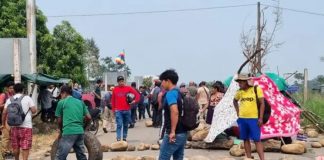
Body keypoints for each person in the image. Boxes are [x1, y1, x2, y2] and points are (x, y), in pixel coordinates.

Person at [233, 73, 265, 160]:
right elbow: (235, 101)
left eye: (241, 82)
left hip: (254, 119)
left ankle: (262, 159)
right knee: (245, 139)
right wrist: (238, 112)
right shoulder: (239, 92)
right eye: (238, 82)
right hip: (242, 119)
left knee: (257, 140)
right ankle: (249, 158)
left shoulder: (256, 89)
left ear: (246, 81)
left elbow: (262, 103)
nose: (239, 84)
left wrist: (261, 118)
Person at [55, 85, 91, 160]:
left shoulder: (61, 102)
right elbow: (89, 117)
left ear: (64, 93)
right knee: (81, 156)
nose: (61, 96)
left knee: (60, 157)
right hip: (80, 132)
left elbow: (59, 120)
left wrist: (61, 130)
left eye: (61, 94)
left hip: (68, 132)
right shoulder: (80, 102)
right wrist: (84, 127)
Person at [2, 83, 37, 160]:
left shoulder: (9, 100)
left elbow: (4, 113)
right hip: (26, 127)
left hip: (13, 127)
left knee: (15, 146)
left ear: (14, 90)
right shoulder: (27, 98)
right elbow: (34, 111)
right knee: (25, 146)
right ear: (23, 90)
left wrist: (3, 124)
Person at [158, 69, 187, 160]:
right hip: (183, 132)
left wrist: (172, 131)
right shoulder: (179, 93)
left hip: (174, 133)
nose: (161, 84)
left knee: (163, 158)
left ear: (168, 81)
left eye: (162, 81)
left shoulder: (170, 94)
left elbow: (174, 111)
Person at [111, 76, 140, 141]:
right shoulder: (115, 89)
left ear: (124, 81)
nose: (121, 82)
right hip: (118, 110)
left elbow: (137, 95)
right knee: (119, 124)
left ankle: (124, 137)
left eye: (122, 81)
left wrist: (134, 101)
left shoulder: (128, 88)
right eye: (119, 81)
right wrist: (113, 110)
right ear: (117, 82)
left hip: (127, 110)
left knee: (126, 125)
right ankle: (118, 138)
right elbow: (112, 100)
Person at [0, 81, 15, 158]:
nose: (12, 89)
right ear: (7, 88)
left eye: (13, 88)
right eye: (10, 88)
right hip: (5, 119)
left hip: (13, 119)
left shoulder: (14, 96)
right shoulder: (4, 95)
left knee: (13, 137)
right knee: (6, 137)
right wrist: (7, 103)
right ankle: (4, 153)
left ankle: (11, 152)